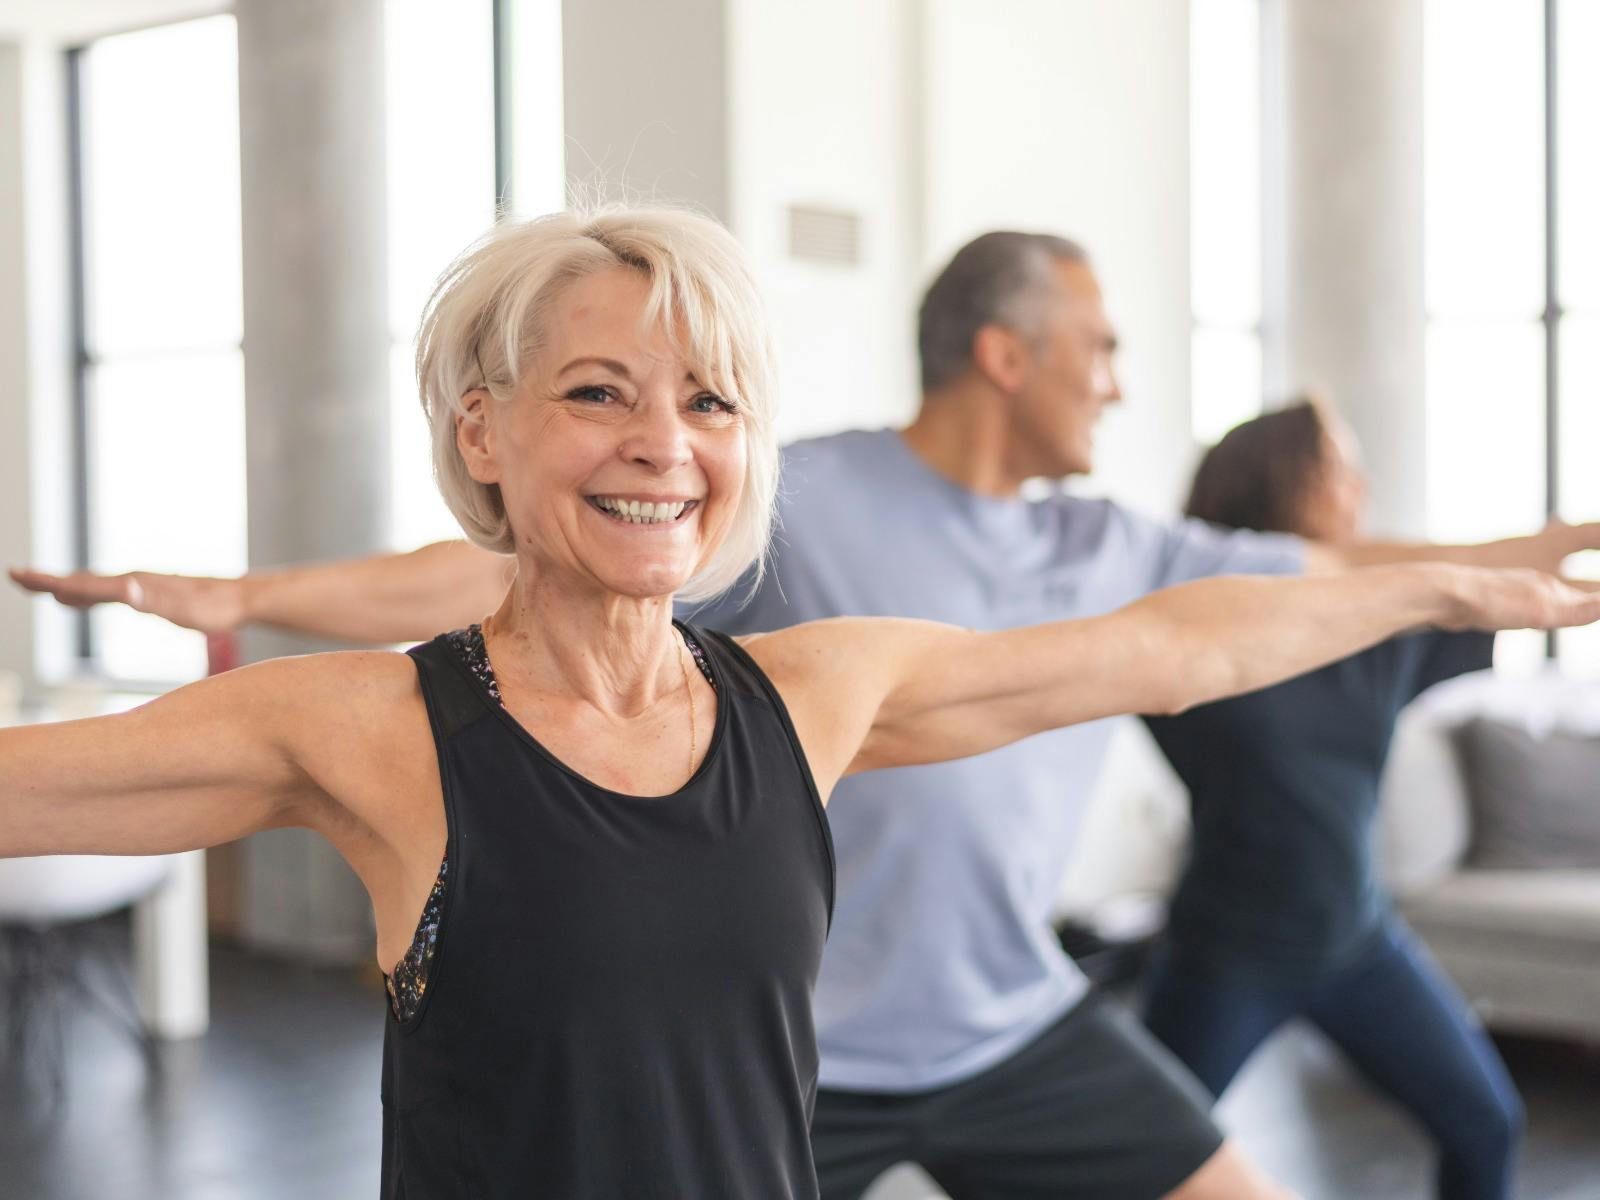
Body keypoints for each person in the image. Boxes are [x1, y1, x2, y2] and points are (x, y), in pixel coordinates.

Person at [13, 229, 1600, 1200]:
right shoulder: (378, 729)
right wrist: (237, 594)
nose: (663, 443)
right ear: (480, 430)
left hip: (1004, 1027)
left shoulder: (813, 687)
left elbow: (1168, 645)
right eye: (598, 391)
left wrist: (1443, 590)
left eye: (708, 401)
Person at [1141, 398, 1532, 1200]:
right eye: (1340, 468)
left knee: (1488, 1124)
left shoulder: (1385, 631)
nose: (1362, 487)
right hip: (1225, 958)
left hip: (1360, 947)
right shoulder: (1191, 635)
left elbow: (1495, 583)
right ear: (1286, 485)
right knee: (1132, 1166)